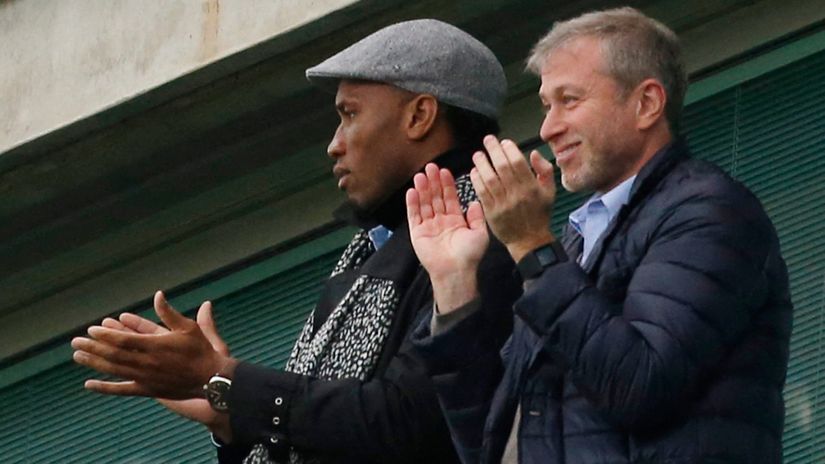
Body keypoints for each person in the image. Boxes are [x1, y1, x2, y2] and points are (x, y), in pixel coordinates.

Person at [70, 19, 520, 464]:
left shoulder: (481, 236)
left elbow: (410, 421)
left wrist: (227, 380)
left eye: (350, 114)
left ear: (419, 116)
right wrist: (229, 416)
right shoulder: (368, 251)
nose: (334, 145)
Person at [407, 7, 793, 463]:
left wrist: (531, 246)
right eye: (547, 106)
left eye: (569, 100)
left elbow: (642, 386)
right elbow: (490, 446)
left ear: (646, 103)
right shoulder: (578, 242)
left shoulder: (710, 212)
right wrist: (454, 285)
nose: (548, 128)